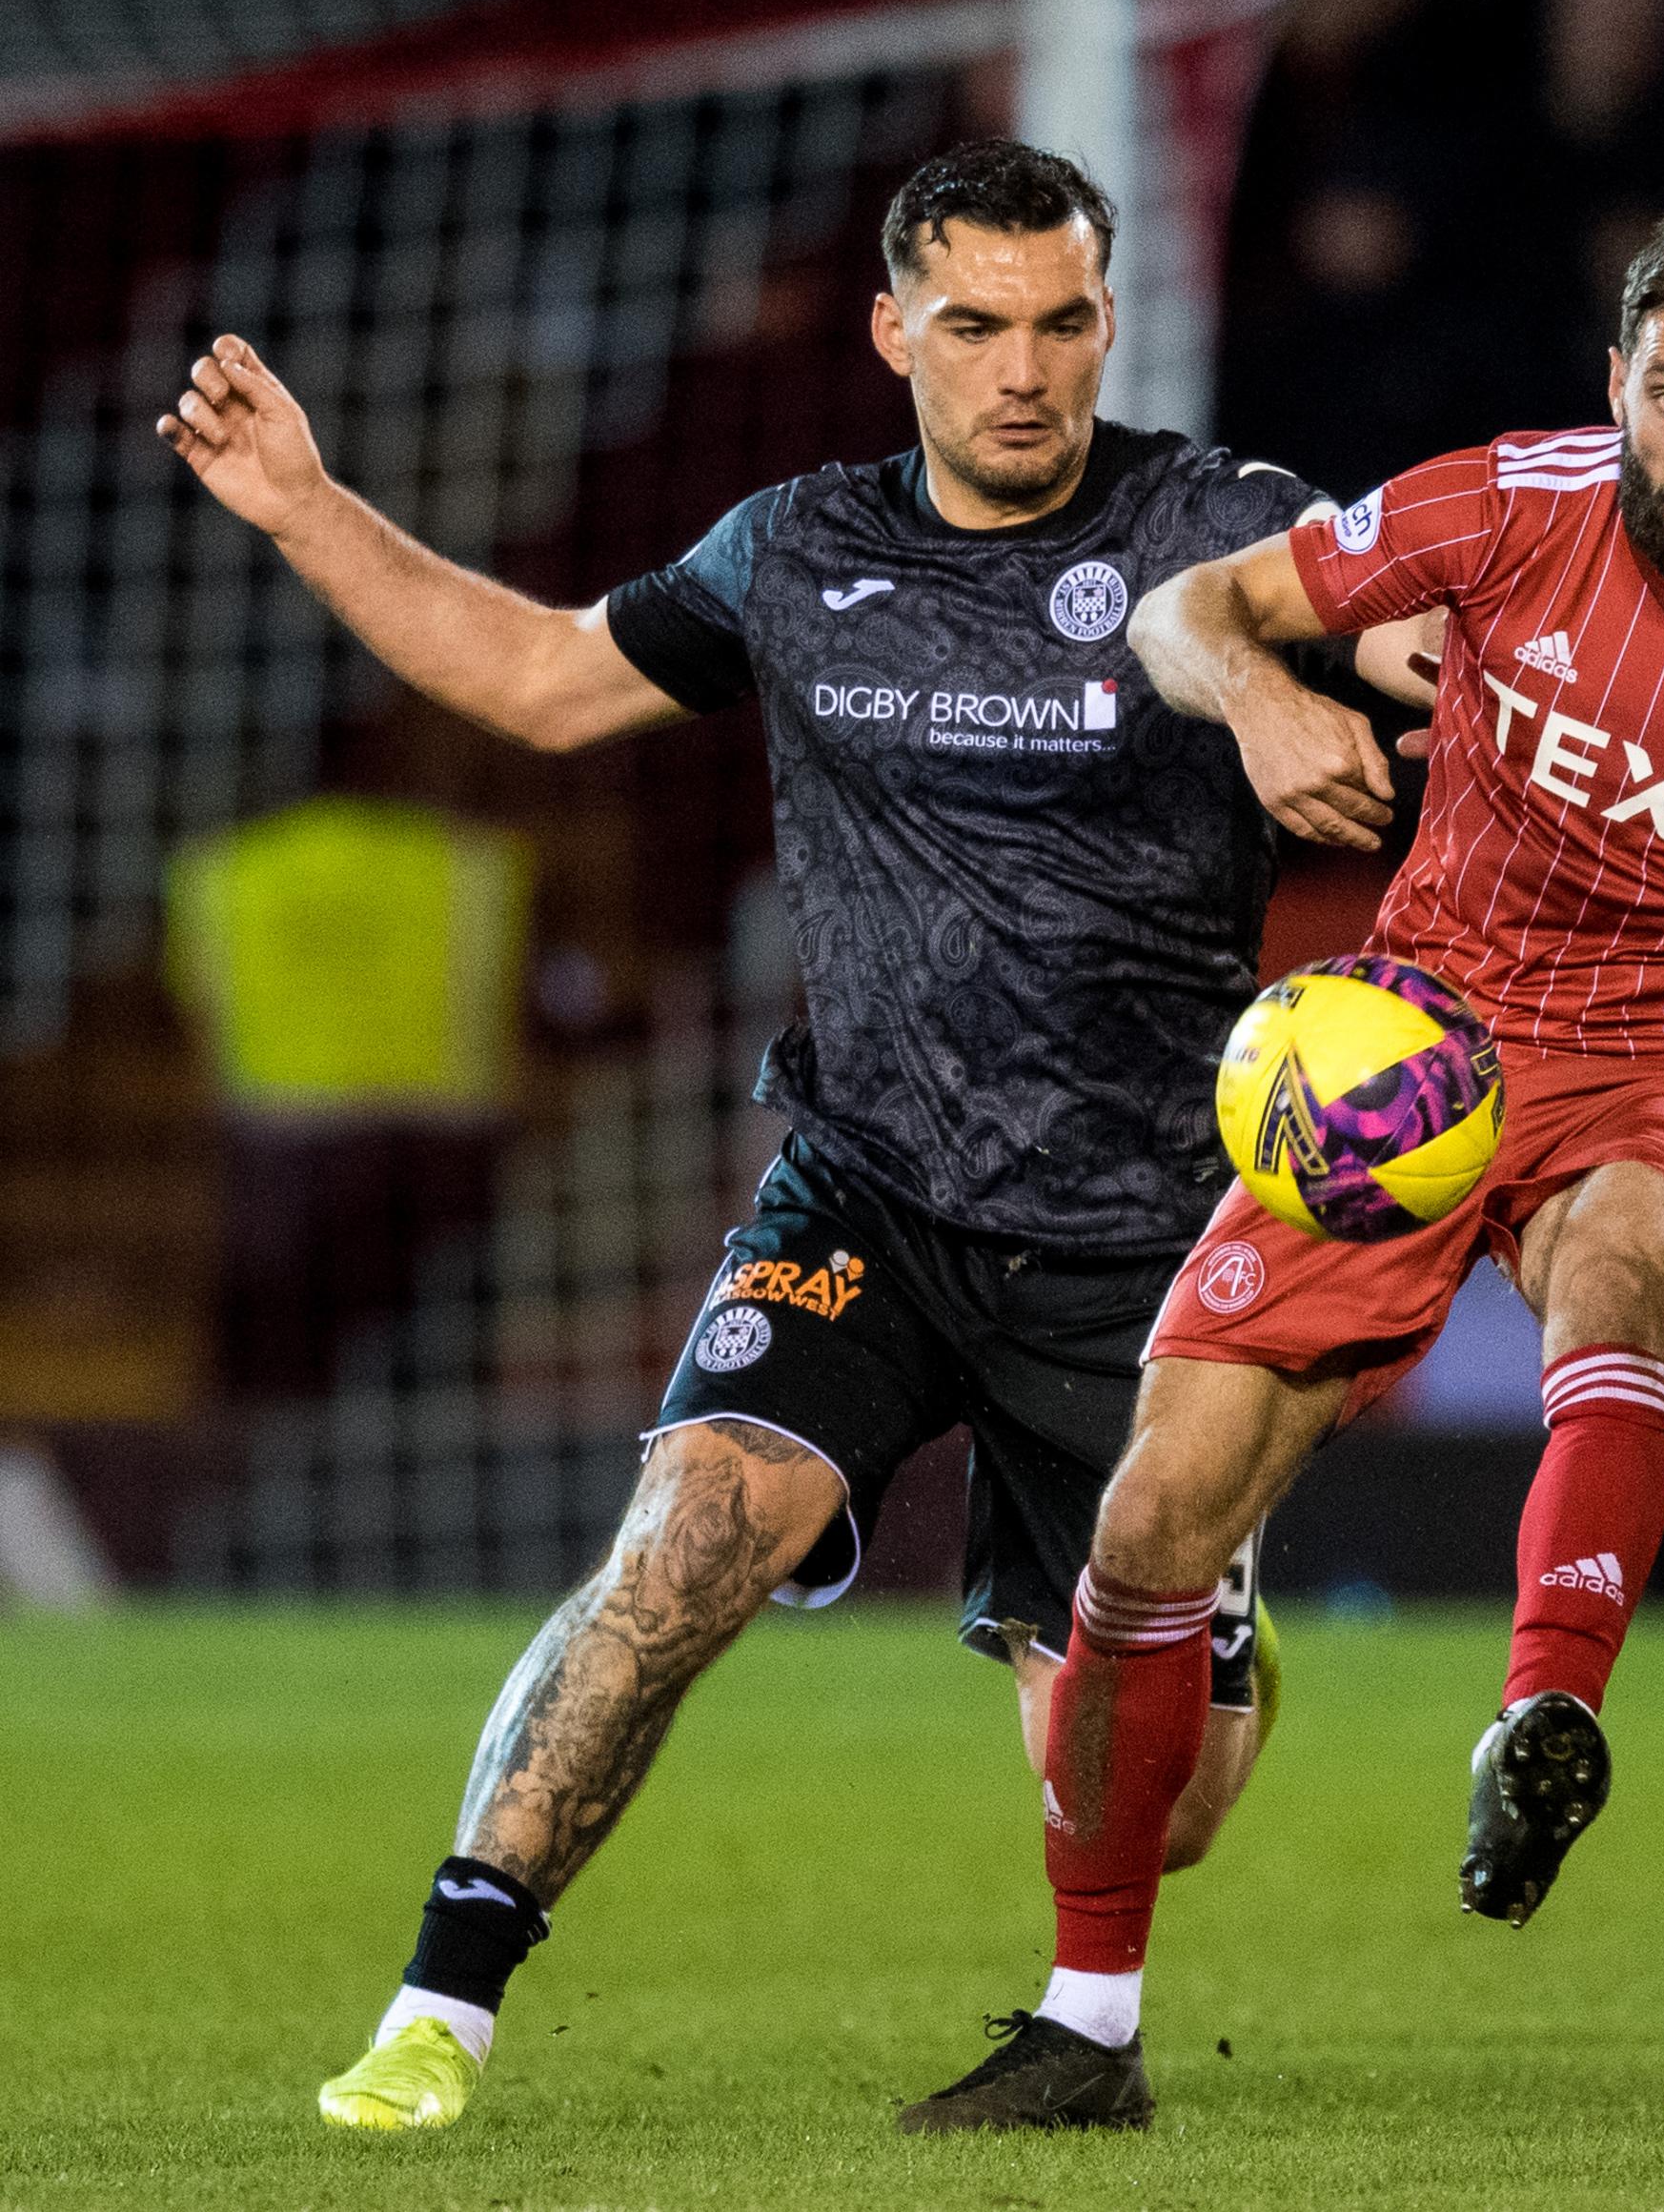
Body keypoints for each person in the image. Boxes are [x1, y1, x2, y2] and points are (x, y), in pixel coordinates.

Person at [160, 138, 1429, 2134]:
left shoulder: (1223, 522)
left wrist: (1328, 695)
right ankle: (440, 2002)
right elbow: (541, 681)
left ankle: (1209, 1616)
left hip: (1136, 1240)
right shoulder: (796, 551)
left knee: (1150, 1812)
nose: (1027, 370)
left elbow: (1430, 646)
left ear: (1111, 319)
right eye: (979, 325)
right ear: (891, 333)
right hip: (866, 1189)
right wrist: (310, 511)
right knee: (682, 1547)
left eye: (1066, 321)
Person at [944, 207, 1664, 2125]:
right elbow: (1185, 609)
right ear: (1619, 384)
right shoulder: (1498, 504)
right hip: (1406, 1044)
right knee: (1147, 1529)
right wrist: (1269, 695)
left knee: (1624, 1270)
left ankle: (1546, 1702)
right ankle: (1088, 2021)